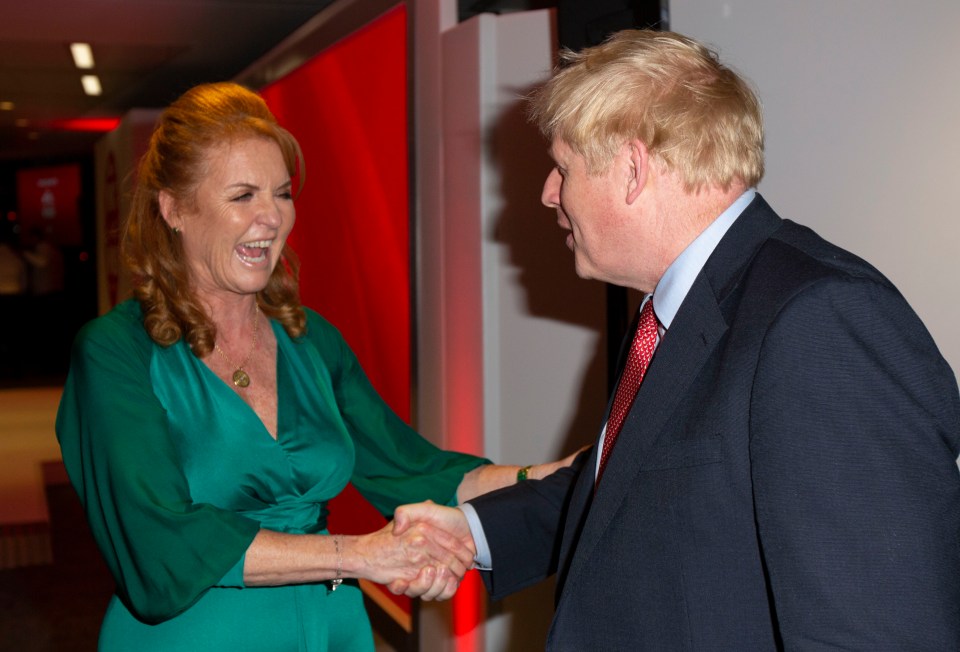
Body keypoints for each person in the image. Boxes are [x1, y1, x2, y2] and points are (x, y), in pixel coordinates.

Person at [394, 29, 960, 649]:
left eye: (562, 168)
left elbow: (880, 633)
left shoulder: (819, 323)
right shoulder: (674, 313)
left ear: (633, 170)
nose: (548, 195)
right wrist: (472, 532)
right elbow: (637, 486)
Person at [55, 81, 574, 651]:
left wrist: (564, 476)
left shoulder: (310, 339)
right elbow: (157, 538)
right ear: (174, 208)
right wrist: (362, 555)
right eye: (242, 196)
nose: (271, 218)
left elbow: (417, 470)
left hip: (331, 631)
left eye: (281, 194)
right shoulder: (114, 352)